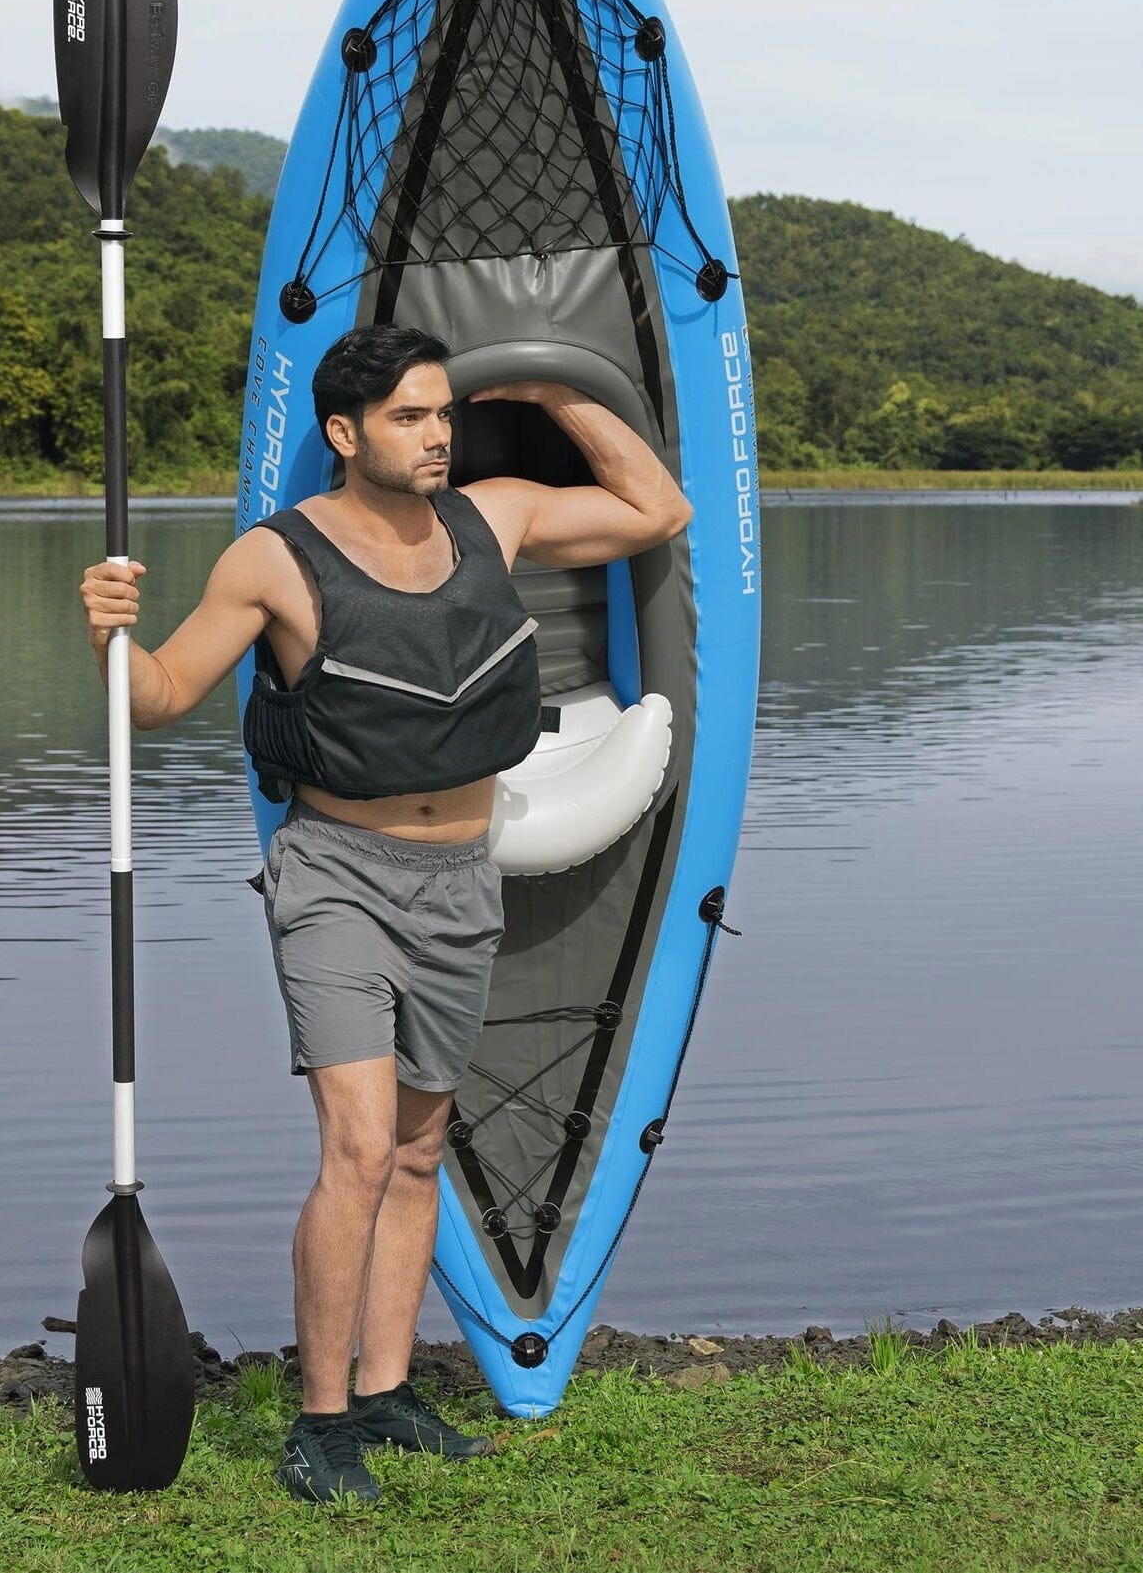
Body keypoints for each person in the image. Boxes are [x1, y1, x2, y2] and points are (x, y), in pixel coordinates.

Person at [76, 322, 691, 1504]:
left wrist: (542, 389)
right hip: (337, 876)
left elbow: (657, 509)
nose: (437, 434)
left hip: (462, 877)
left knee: (417, 1150)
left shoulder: (495, 516)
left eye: (444, 412)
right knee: (359, 1147)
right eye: (410, 417)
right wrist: (109, 633)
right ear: (345, 433)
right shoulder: (275, 558)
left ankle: (387, 1389)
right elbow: (158, 697)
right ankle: (320, 1425)